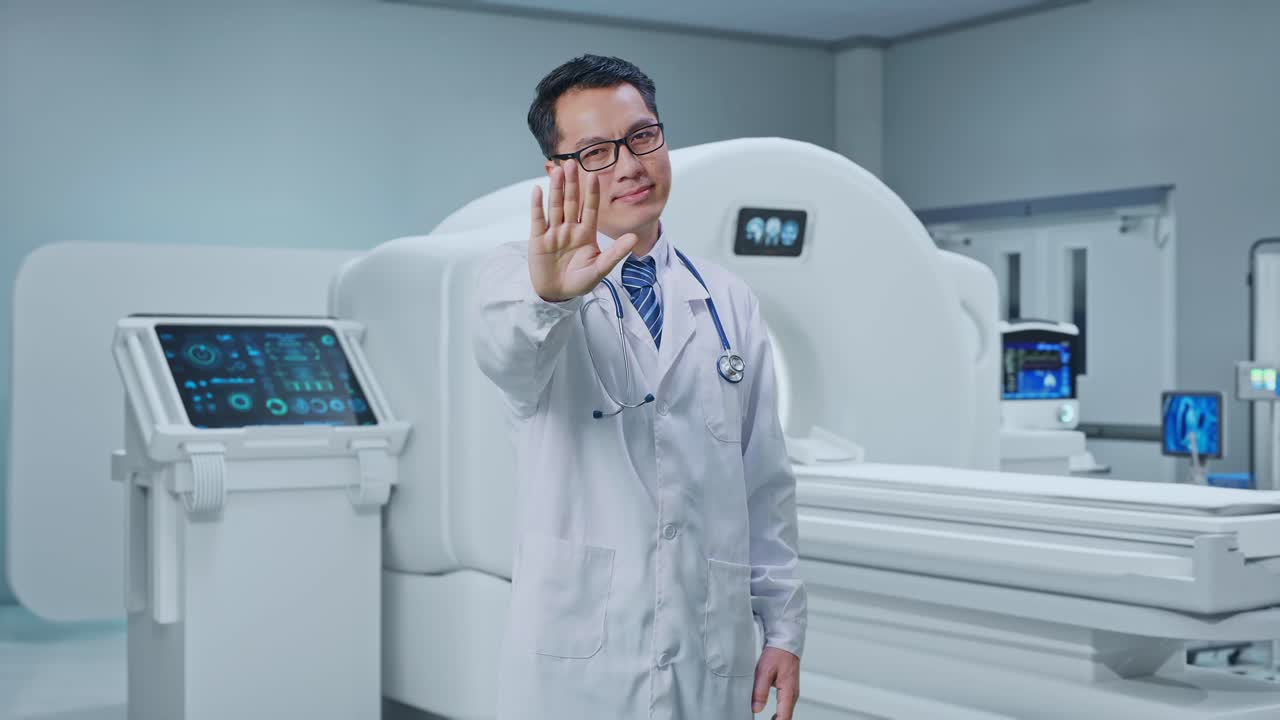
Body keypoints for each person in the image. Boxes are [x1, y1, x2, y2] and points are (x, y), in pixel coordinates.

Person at [473, 54, 806, 720]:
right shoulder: (517, 281)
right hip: (581, 663)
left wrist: (784, 627)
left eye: (643, 136)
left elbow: (763, 480)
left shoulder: (725, 299)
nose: (629, 164)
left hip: (706, 648)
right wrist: (550, 297)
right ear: (559, 172)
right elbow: (508, 357)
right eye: (597, 151)